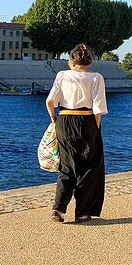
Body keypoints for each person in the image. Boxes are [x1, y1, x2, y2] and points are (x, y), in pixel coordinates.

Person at [45, 43, 108, 223]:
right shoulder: (96, 78)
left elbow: (50, 101)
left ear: (71, 60)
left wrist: (54, 119)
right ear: (89, 62)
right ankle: (82, 212)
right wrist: (95, 128)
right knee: (89, 166)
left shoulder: (62, 75)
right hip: (87, 119)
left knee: (66, 166)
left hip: (64, 120)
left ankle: (58, 209)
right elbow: (98, 108)